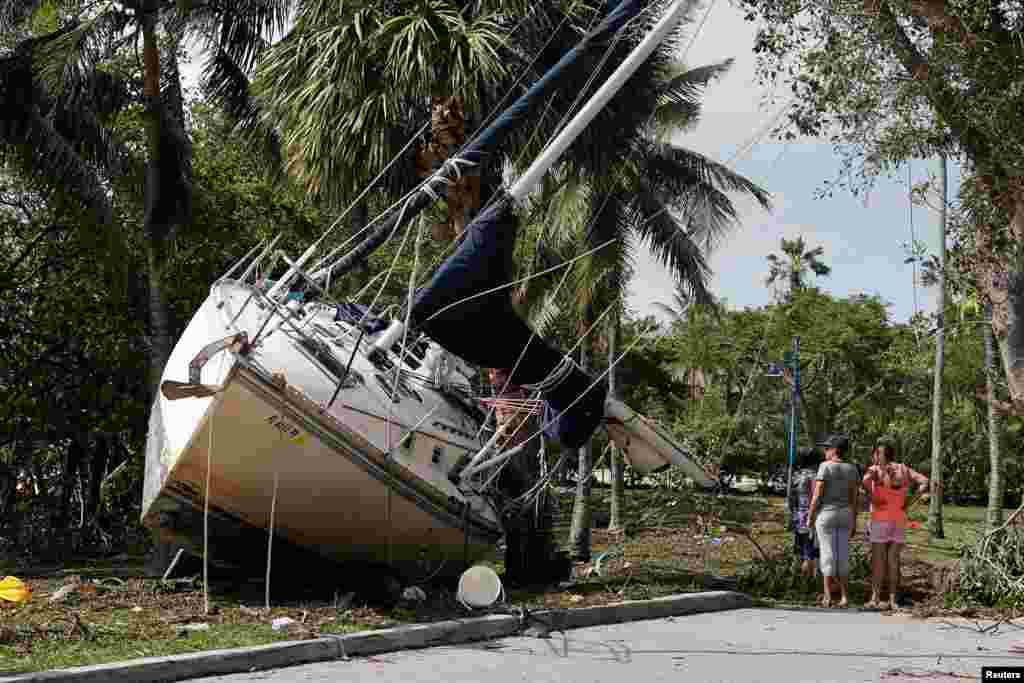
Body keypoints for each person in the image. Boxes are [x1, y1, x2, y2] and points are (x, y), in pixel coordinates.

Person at [862, 441, 930, 611]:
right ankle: (893, 600)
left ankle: (875, 598)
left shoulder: (876, 469)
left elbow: (864, 481)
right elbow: (924, 482)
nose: (875, 457)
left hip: (880, 518)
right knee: (893, 561)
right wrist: (909, 501)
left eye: (876, 454)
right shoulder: (904, 469)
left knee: (879, 561)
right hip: (898, 518)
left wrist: (873, 496)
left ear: (879, 454)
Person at [808, 434, 859, 608]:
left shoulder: (825, 467)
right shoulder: (852, 469)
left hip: (827, 515)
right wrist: (854, 520)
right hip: (846, 514)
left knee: (827, 554)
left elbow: (817, 495)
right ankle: (845, 597)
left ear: (835, 450)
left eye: (827, 448)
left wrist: (810, 516)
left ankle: (828, 596)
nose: (825, 451)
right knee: (843, 555)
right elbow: (854, 498)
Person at [788, 448, 820, 578]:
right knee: (810, 552)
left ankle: (796, 579)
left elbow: (791, 499)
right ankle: (808, 581)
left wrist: (793, 515)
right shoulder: (815, 476)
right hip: (811, 517)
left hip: (798, 517)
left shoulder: (796, 475)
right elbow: (816, 498)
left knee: (799, 549)